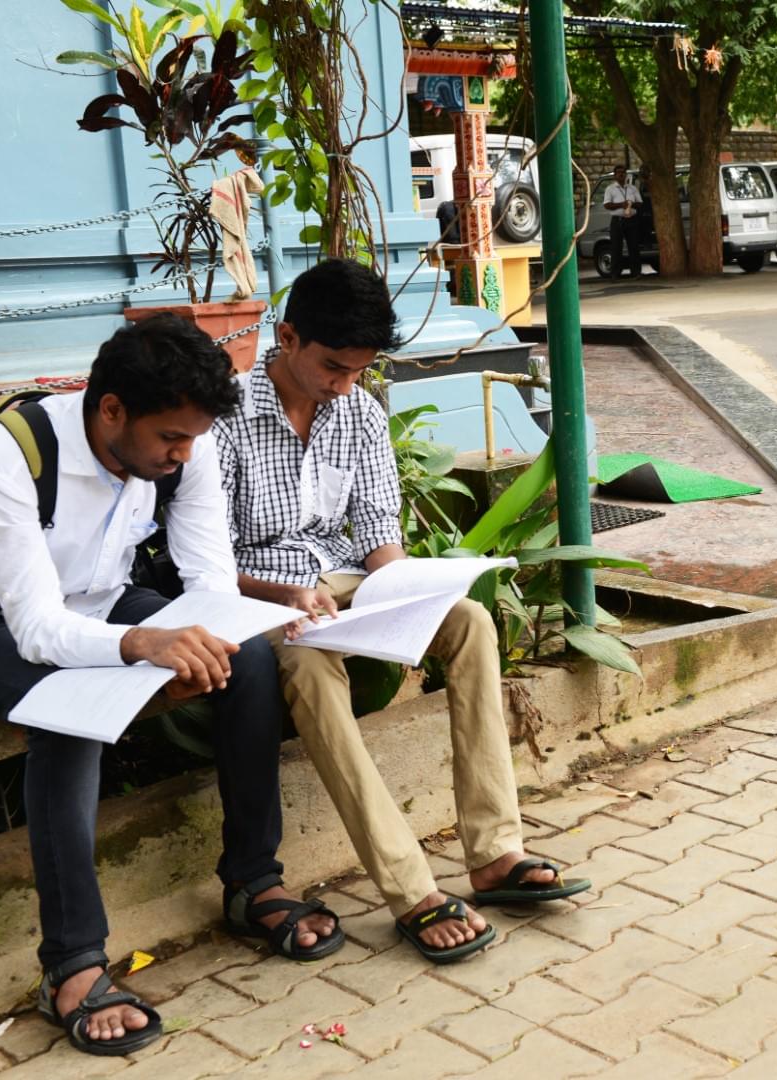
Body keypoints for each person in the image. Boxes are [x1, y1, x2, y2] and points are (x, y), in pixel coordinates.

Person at [0, 316, 331, 1056]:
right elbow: (40, 630)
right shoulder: (13, 454)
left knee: (249, 660)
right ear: (111, 410)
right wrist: (141, 647)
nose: (184, 455)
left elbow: (206, 585)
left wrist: (191, 649)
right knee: (72, 708)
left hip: (105, 603)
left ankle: (252, 883)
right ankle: (71, 965)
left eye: (192, 438)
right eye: (170, 437)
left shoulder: (182, 449)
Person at [212, 260, 590, 966]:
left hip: (349, 585)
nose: (343, 384)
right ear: (288, 337)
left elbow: (378, 532)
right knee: (305, 664)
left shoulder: (357, 409)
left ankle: (492, 851)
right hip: (259, 597)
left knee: (469, 622)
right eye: (332, 366)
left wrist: (403, 601)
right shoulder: (225, 417)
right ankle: (408, 888)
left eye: (358, 370)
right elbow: (203, 558)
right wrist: (285, 596)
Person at [603, 164, 643, 277]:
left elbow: (640, 203)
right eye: (619, 172)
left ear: (626, 175)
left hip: (631, 220)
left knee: (633, 246)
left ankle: (636, 272)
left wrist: (631, 204)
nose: (621, 174)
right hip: (617, 220)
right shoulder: (610, 189)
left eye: (623, 172)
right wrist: (621, 205)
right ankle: (615, 273)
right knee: (616, 247)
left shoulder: (632, 188)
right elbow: (607, 205)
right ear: (615, 175)